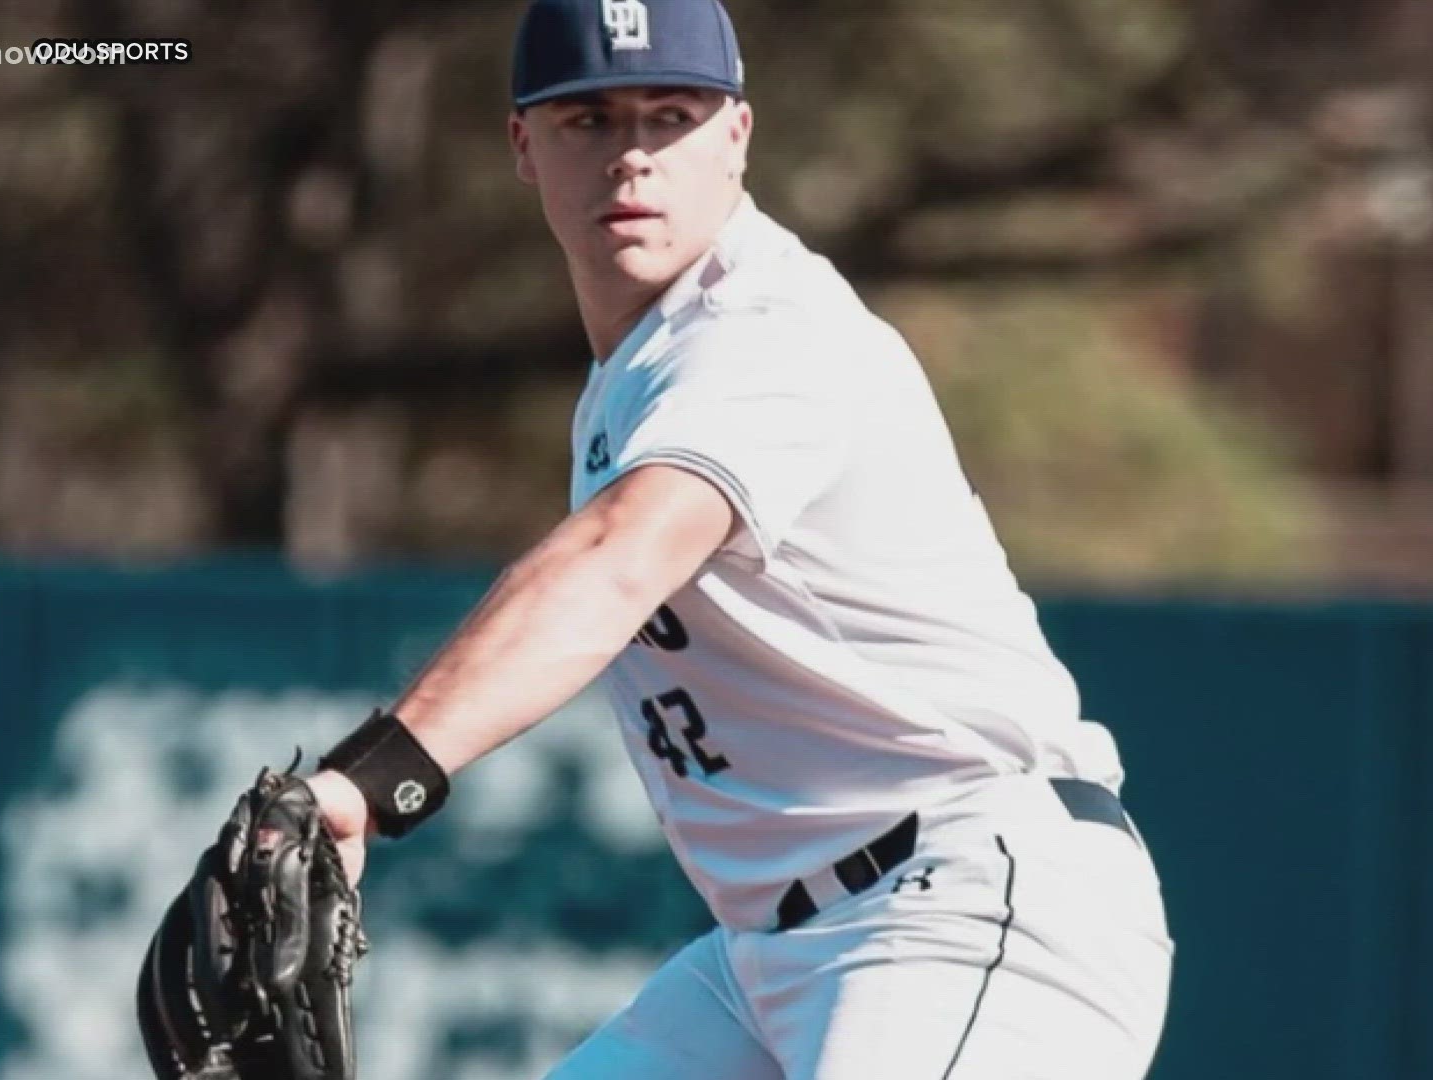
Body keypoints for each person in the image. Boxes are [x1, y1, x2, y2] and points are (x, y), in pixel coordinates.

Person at [303, 1, 1173, 1076]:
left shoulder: (761, 330)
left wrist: (367, 780)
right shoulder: (636, 370)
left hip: (962, 896)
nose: (632, 156)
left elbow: (617, 559)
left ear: (737, 137)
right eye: (589, 119)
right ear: (524, 146)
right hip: (771, 952)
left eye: (670, 115)